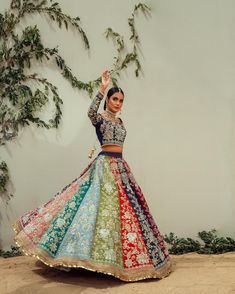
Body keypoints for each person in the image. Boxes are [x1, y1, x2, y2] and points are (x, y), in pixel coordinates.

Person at [13, 70, 172, 281]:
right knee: (94, 208)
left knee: (124, 212)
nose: (118, 103)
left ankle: (120, 259)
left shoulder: (121, 122)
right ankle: (83, 257)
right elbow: (90, 112)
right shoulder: (100, 118)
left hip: (121, 167)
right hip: (104, 166)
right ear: (108, 100)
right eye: (115, 99)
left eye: (121, 100)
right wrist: (102, 88)